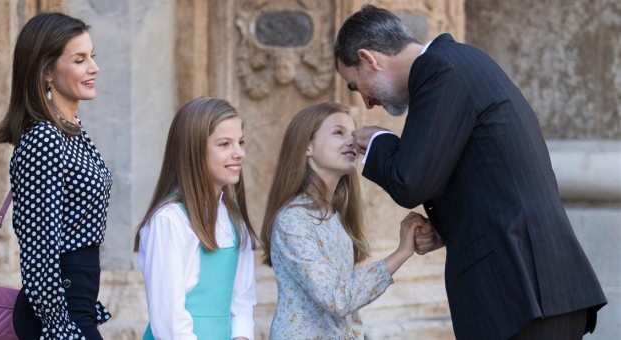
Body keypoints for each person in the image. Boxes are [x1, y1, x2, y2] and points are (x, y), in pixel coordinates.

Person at [334, 5, 607, 340]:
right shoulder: (458, 63)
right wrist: (445, 228)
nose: (367, 103)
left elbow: (411, 182)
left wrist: (379, 141)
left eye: (354, 85)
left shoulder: (440, 69)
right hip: (537, 289)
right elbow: (490, 177)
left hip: (523, 293)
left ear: (369, 58)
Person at [260, 102, 428, 339]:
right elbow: (338, 299)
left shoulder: (334, 216)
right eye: (338, 132)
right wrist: (402, 252)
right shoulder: (293, 220)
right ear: (307, 146)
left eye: (353, 133)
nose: (352, 141)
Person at [0, 12, 111, 339]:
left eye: (92, 57)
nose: (94, 68)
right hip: (60, 318)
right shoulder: (44, 139)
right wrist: (62, 328)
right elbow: (40, 253)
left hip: (77, 306)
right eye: (79, 59)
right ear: (47, 71)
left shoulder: (71, 132)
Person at [135, 97, 257, 340]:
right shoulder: (170, 220)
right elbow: (168, 317)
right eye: (224, 144)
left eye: (240, 143)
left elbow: (242, 301)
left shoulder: (235, 222)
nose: (238, 153)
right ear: (194, 150)